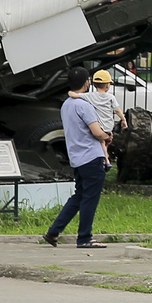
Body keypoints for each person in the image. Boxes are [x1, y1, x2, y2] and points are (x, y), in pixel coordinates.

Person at [42, 67, 112, 248]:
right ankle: (85, 237)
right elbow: (97, 132)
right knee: (90, 198)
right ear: (87, 82)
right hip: (91, 157)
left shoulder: (67, 105)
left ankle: (53, 232)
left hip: (77, 158)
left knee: (79, 196)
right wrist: (107, 136)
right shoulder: (84, 105)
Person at [87, 69, 127, 133]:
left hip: (96, 127)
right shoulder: (111, 97)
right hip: (108, 127)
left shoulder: (90, 96)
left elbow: (75, 95)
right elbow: (117, 110)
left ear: (94, 84)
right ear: (107, 85)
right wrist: (123, 119)